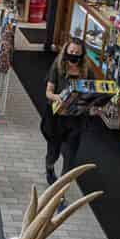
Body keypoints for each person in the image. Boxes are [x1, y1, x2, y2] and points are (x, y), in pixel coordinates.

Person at [41, 37, 91, 184]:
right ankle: (49, 168)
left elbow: (91, 90)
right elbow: (48, 92)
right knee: (53, 153)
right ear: (66, 51)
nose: (74, 54)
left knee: (70, 157)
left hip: (76, 119)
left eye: (77, 52)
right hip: (57, 118)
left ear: (82, 55)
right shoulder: (57, 66)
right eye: (71, 51)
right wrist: (58, 97)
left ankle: (61, 187)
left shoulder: (86, 71)